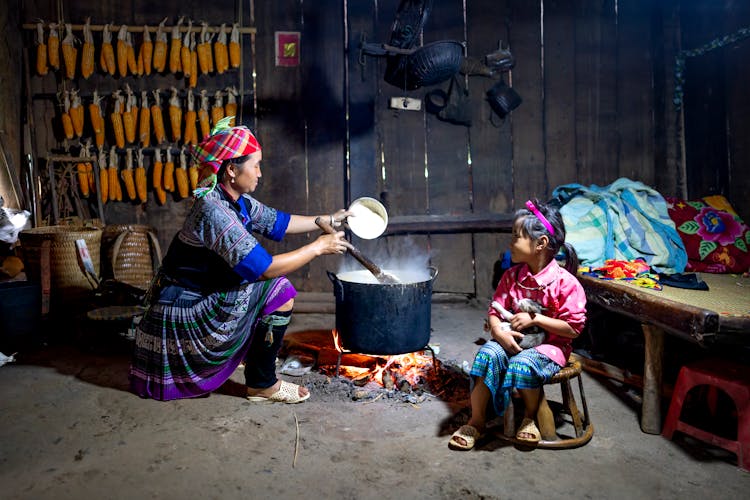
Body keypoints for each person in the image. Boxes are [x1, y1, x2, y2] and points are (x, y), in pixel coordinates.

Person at [129, 117, 352, 403]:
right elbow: (265, 269)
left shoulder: (235, 200)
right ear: (232, 170)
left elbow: (278, 222)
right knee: (279, 291)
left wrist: (327, 219)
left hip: (205, 293)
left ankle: (252, 363)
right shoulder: (214, 211)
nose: (260, 173)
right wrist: (318, 248)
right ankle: (262, 384)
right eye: (255, 165)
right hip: (185, 307)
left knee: (268, 290)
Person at [449, 199, 587, 450]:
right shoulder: (512, 277)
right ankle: (477, 421)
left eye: (516, 236)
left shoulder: (565, 283)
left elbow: (573, 328)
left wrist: (535, 318)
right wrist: (498, 332)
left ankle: (529, 419)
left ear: (540, 244)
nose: (511, 242)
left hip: (550, 348)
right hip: (511, 340)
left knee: (523, 363)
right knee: (487, 355)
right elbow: (494, 310)